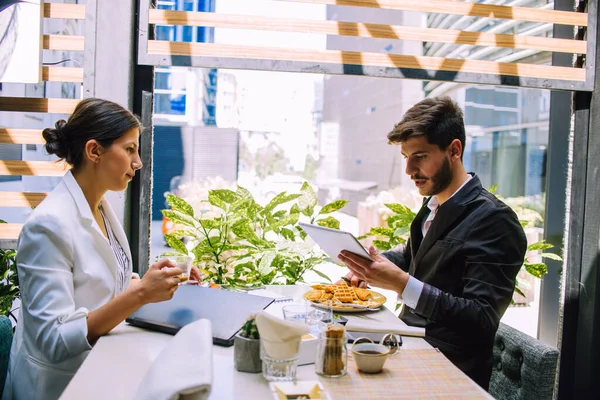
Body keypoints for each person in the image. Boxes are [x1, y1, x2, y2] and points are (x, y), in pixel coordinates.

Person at [2, 98, 201, 400]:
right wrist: (141, 293)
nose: (139, 162)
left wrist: (155, 280)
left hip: (103, 371)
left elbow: (103, 286)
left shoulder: (101, 207)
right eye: (130, 149)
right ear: (94, 151)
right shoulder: (48, 226)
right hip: (58, 388)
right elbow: (53, 339)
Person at [338, 97, 527, 390]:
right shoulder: (433, 205)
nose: (409, 170)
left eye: (421, 156)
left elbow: (481, 319)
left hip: (448, 373)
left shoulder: (495, 221)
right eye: (406, 157)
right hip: (407, 347)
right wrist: (366, 265)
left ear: (454, 150)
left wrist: (402, 284)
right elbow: (415, 255)